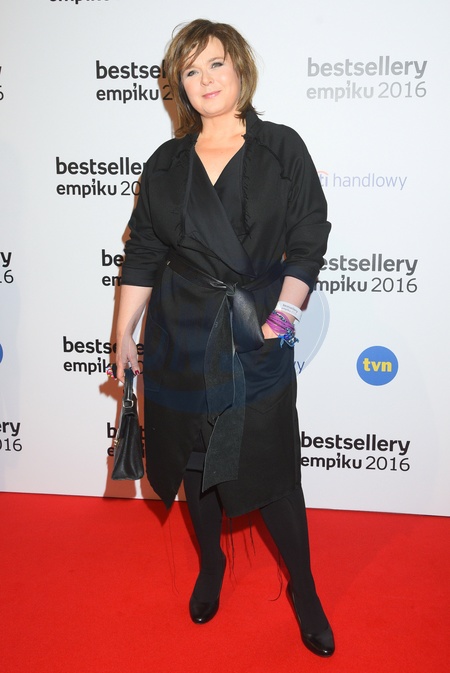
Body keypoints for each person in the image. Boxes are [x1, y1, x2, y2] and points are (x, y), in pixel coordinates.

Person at [109, 19, 334, 658]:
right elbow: (144, 252)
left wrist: (279, 323)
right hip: (178, 332)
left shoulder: (280, 147)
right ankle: (212, 564)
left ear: (239, 67)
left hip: (254, 329)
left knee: (273, 468)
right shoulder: (166, 162)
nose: (205, 79)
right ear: (178, 85)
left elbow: (308, 242)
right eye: (190, 70)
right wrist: (123, 332)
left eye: (215, 64)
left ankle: (304, 588)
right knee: (194, 464)